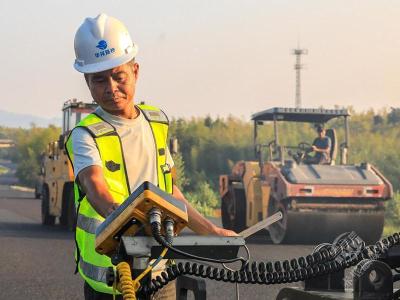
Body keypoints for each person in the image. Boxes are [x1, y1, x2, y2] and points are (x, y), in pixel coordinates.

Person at [65, 13, 237, 300]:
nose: (111, 88)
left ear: (135, 71)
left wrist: (211, 231)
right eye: (99, 80)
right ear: (87, 83)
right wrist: (130, 223)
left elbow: (171, 193)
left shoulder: (156, 124)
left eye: (118, 76)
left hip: (159, 273)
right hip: (112, 279)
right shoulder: (86, 134)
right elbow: (96, 188)